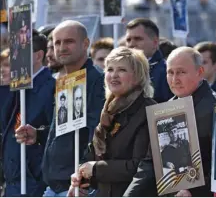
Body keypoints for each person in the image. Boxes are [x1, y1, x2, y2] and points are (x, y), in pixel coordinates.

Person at [15, 20, 105, 196]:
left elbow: (96, 135)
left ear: (85, 44)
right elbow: (69, 128)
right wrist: (39, 134)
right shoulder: (67, 81)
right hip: (54, 187)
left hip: (77, 187)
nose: (62, 47)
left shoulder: (97, 82)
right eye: (57, 42)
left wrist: (83, 180)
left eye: (69, 41)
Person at [124, 47, 216, 197]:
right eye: (170, 72)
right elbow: (150, 163)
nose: (174, 79)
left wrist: (194, 191)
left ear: (200, 72)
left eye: (181, 72)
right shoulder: (165, 110)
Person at [67, 47, 156, 197]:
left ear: (137, 76)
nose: (113, 75)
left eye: (122, 70)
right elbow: (92, 154)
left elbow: (140, 166)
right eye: (109, 69)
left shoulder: (148, 110)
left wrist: (95, 169)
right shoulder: (109, 110)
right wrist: (79, 179)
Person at [2, 30, 55, 196]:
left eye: (19, 52)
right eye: (12, 52)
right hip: (13, 179)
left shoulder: (52, 86)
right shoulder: (14, 87)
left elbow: (56, 130)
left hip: (34, 180)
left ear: (38, 56)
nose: (13, 58)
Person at [125, 18, 173, 103]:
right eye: (128, 40)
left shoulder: (168, 72)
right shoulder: (120, 72)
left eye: (138, 39)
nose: (131, 44)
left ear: (155, 42)